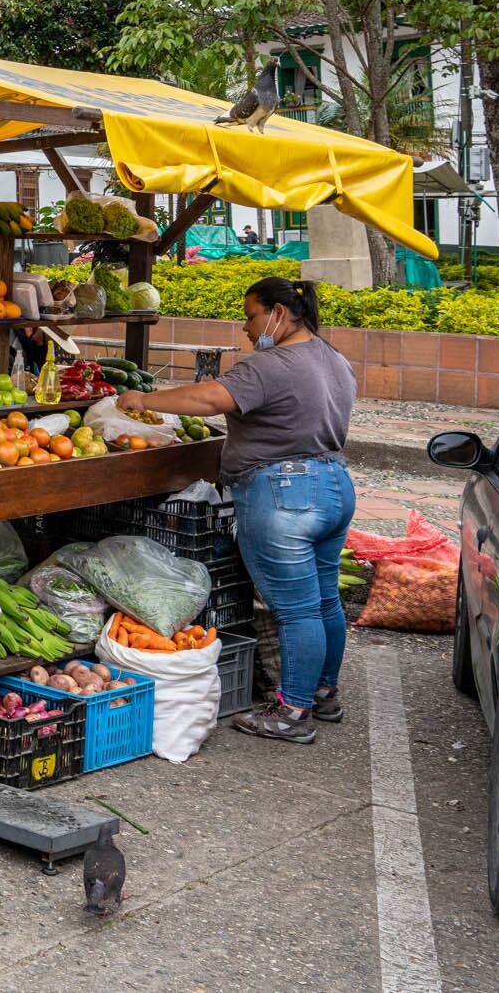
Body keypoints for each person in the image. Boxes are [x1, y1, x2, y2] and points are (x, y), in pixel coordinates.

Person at [111, 276, 357, 743]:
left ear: (278, 313)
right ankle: (323, 692)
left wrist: (143, 399)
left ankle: (292, 711)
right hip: (334, 485)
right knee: (324, 600)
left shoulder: (271, 365)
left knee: (296, 610)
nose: (246, 327)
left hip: (284, 494)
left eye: (250, 315)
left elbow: (209, 398)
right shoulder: (334, 359)